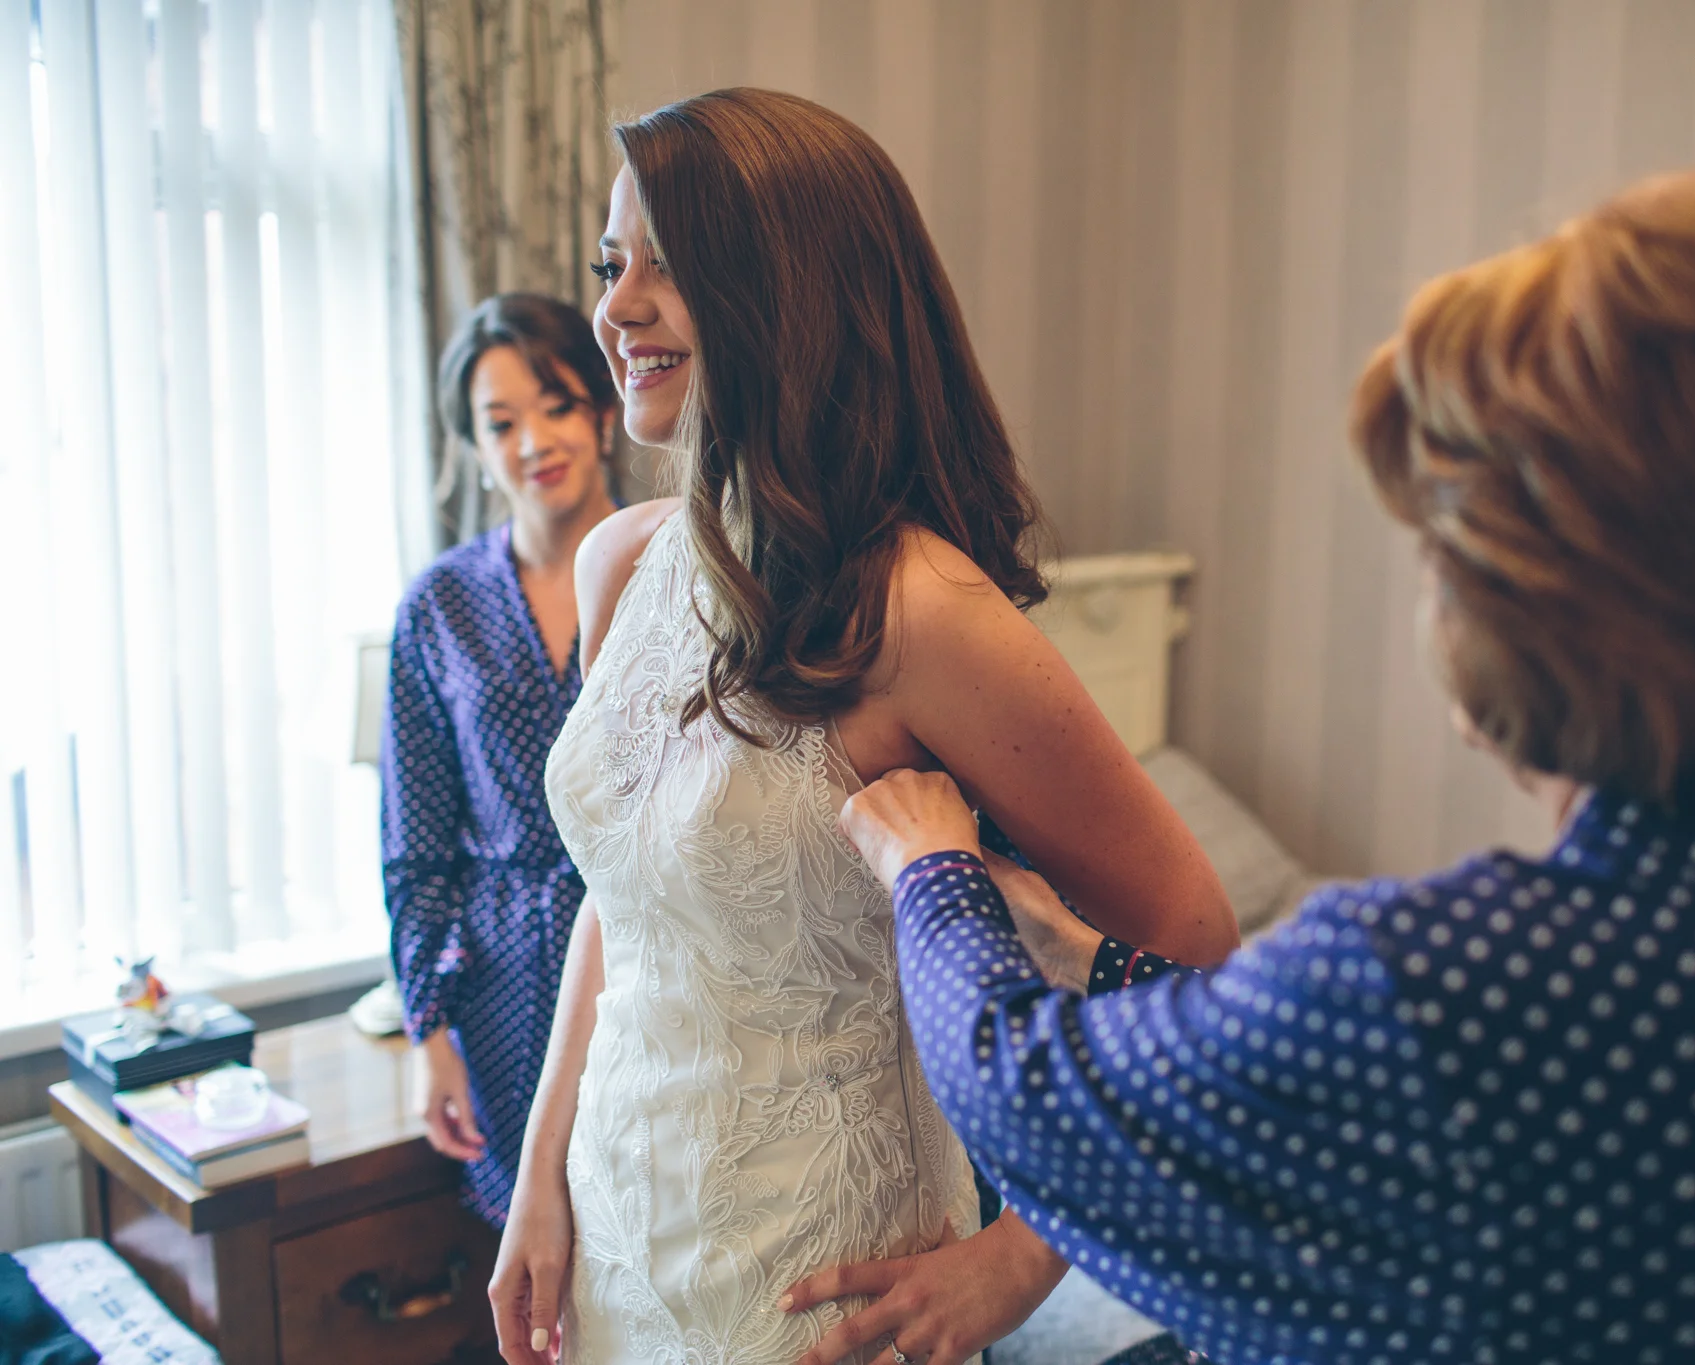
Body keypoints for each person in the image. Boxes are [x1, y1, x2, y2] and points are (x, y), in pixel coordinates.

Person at [824, 170, 1695, 1364]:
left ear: (1561, 593)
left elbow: (1034, 1104)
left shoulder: (1441, 988)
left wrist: (934, 867)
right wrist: (1095, 959)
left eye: (1441, 537)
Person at [486, 88, 1241, 1365]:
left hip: (811, 1283)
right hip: (616, 1240)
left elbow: (1196, 950)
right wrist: (537, 1175)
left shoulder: (922, 611)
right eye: (614, 263)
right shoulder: (623, 562)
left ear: (787, 286)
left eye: (666, 264)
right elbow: (624, 891)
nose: (614, 307)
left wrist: (1017, 1262)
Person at [381, 293, 621, 1226]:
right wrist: (427, 1028)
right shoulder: (439, 607)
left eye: (555, 404)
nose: (533, 441)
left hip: (652, 963)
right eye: (501, 421)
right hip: (500, 991)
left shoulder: (678, 567)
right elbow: (416, 844)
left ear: (602, 410)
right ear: (473, 446)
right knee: (535, 1271)